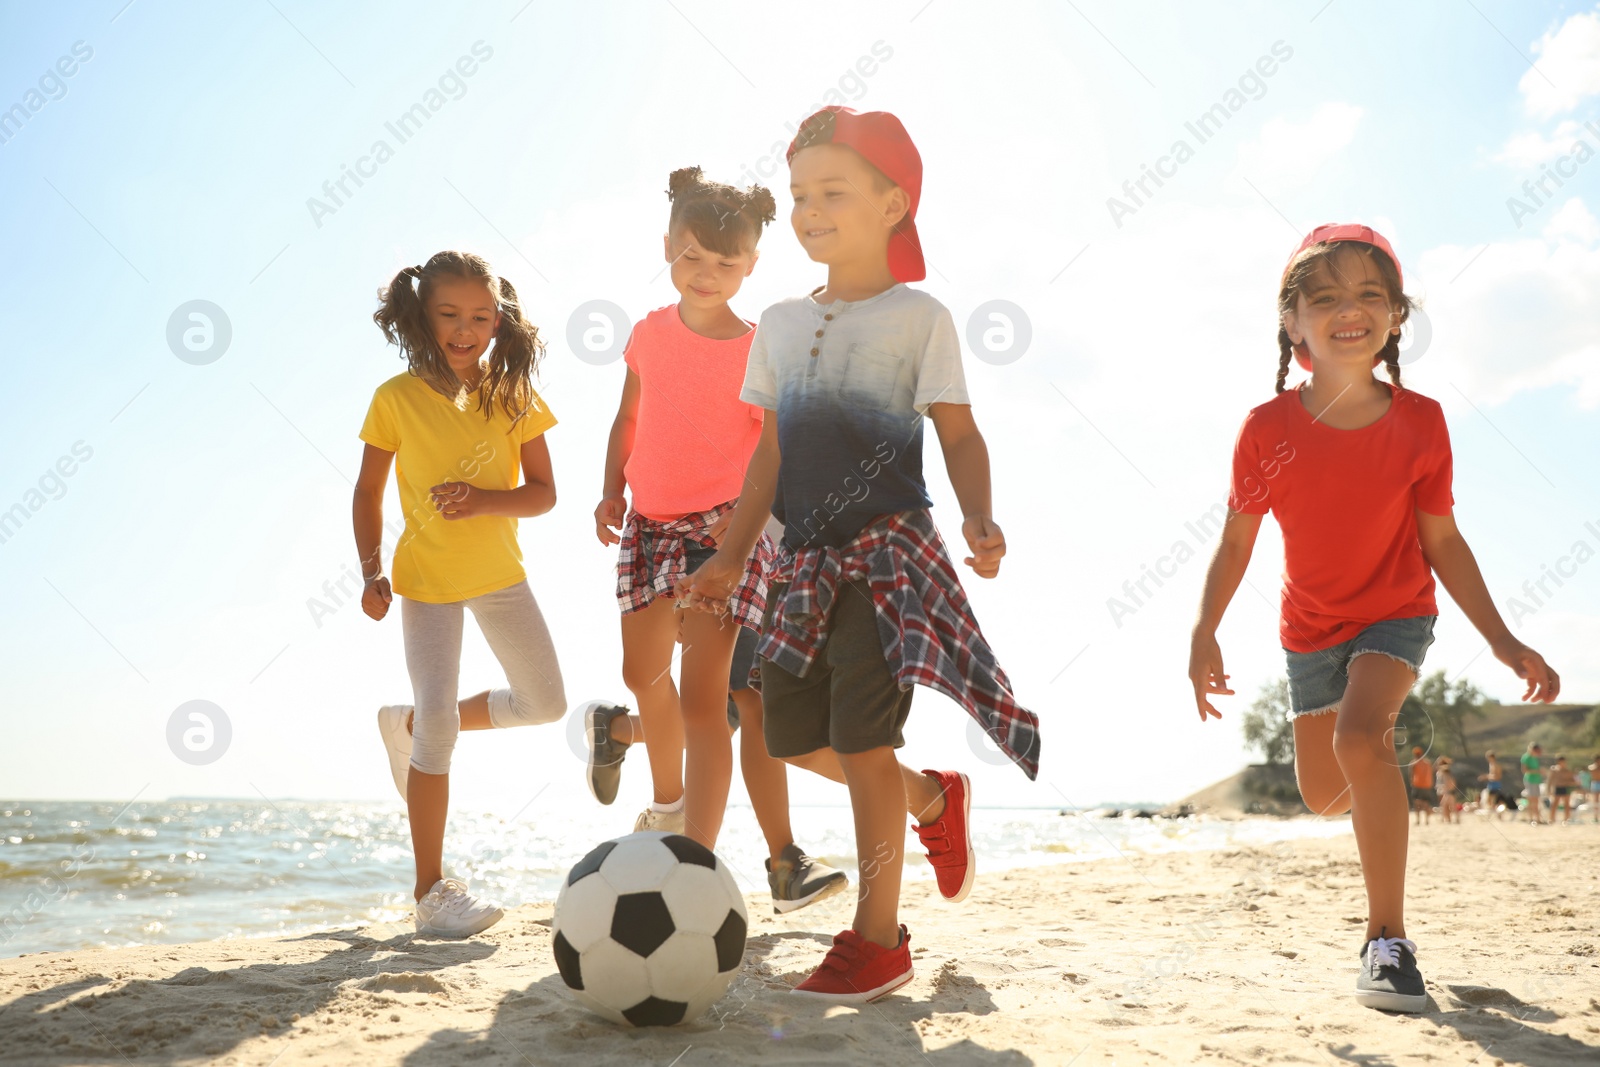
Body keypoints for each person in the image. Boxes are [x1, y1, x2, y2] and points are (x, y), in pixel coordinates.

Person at [679, 106, 1041, 1003]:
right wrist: (729, 555)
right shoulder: (775, 319)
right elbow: (768, 454)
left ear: (892, 203)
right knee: (792, 733)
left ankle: (879, 939)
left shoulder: (920, 317)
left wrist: (981, 515)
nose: (809, 210)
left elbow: (958, 431)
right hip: (799, 559)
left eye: (832, 191)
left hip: (887, 556)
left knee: (865, 739)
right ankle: (932, 799)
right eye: (800, 194)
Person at [1187, 223, 1560, 1014]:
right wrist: (1203, 629)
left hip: (1396, 614)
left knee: (1362, 738)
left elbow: (1444, 539)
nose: (1348, 309)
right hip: (1308, 631)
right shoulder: (1266, 431)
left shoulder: (1421, 423)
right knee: (1325, 790)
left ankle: (1387, 940)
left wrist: (1501, 636)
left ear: (1395, 315)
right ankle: (1382, 776)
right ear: (1293, 323)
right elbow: (1235, 541)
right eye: (1324, 297)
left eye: (1369, 295)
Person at [585, 167, 845, 909]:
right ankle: (666, 797)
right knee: (642, 675)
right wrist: (611, 486)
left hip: (722, 532)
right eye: (693, 255)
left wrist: (738, 551)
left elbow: (771, 455)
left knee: (710, 701)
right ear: (668, 244)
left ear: (752, 266)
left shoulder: (762, 350)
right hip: (647, 526)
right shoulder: (647, 332)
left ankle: (693, 861)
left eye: (726, 263)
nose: (708, 274)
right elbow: (627, 419)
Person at [357, 251, 568, 937]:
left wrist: (483, 499)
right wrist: (368, 570)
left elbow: (543, 493)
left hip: (500, 575)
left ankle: (412, 722)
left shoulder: (513, 395)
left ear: (499, 322)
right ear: (422, 316)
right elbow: (366, 491)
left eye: (480, 316)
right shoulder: (394, 397)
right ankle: (430, 891)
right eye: (449, 314)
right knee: (443, 730)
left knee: (546, 702)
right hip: (425, 583)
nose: (464, 328)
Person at [1546, 756, 1579, 824]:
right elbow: (1550, 780)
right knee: (1555, 803)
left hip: (1566, 788)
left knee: (1566, 804)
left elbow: (1574, 781)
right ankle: (1551, 818)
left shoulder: (1567, 771)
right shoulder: (1554, 770)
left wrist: (1567, 783)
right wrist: (1548, 789)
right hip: (1558, 788)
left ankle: (1566, 818)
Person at [1408, 746, 1435, 826]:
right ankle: (1427, 820)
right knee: (1426, 803)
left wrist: (1411, 783)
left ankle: (1418, 820)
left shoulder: (1413, 763)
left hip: (1417, 785)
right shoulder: (1427, 763)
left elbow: (1411, 774)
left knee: (1417, 804)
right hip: (1427, 785)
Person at [1521, 743, 1545, 825]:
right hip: (1530, 780)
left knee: (1536, 800)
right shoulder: (1526, 757)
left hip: (1536, 780)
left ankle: (1537, 818)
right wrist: (1538, 771)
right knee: (1531, 800)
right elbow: (1525, 770)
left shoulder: (1535, 758)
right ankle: (1531, 818)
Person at [1480, 750, 1509, 819]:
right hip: (1491, 784)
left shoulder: (1496, 765)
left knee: (1495, 800)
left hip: (1495, 784)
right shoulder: (1491, 765)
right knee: (1490, 801)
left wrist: (1486, 777)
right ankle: (1496, 813)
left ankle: (1498, 814)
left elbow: (1498, 777)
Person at [1434, 757, 1457, 824]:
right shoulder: (1442, 772)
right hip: (1443, 790)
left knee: (1447, 805)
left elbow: (1445, 767)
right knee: (1446, 805)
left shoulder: (1445, 772)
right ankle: (1448, 818)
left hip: (1447, 791)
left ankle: (1445, 819)